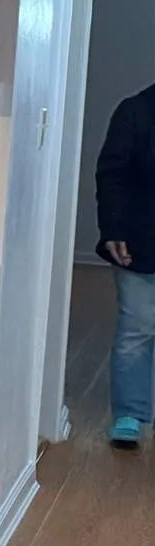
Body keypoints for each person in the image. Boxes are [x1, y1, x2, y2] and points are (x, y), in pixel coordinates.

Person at [98, 82, 155, 447]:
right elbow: (112, 176)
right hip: (139, 239)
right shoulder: (135, 111)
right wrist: (114, 228)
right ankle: (130, 414)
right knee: (138, 326)